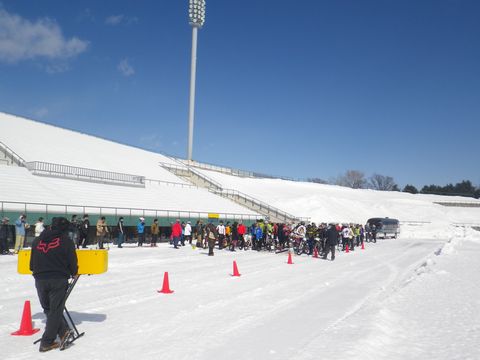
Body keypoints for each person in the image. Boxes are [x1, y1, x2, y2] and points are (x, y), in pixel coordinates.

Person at [30, 217, 78, 352]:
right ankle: (47, 342)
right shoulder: (66, 241)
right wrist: (74, 272)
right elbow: (72, 262)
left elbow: (31, 264)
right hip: (58, 279)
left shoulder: (37, 241)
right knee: (55, 310)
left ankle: (63, 332)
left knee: (49, 309)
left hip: (40, 279)